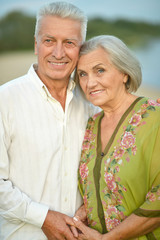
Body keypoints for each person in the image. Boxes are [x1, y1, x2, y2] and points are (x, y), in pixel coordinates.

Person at [0, 2, 98, 240]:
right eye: (49, 40)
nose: (58, 53)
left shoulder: (93, 107)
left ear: (80, 49)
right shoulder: (5, 100)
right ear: (36, 44)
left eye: (69, 43)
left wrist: (92, 205)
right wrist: (43, 217)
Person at [73, 35, 160, 239]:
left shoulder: (155, 115)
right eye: (82, 74)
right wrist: (88, 207)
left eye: (100, 70)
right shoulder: (91, 125)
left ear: (124, 73)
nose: (90, 83)